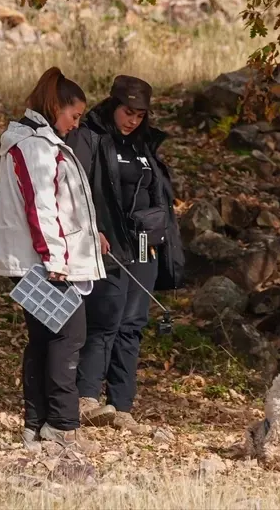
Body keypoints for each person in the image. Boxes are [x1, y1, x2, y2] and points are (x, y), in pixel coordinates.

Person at [0, 67, 107, 450]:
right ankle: (62, 426)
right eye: (74, 115)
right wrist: (55, 260)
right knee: (69, 336)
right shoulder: (36, 146)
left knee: (44, 339)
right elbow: (40, 207)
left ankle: (35, 426)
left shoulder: (36, 141)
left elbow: (60, 205)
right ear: (56, 107)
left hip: (36, 259)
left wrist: (90, 236)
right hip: (40, 263)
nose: (76, 125)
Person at [66, 75, 183, 433]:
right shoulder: (90, 136)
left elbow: (157, 191)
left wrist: (162, 232)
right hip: (108, 242)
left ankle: (121, 405)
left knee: (133, 324)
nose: (132, 120)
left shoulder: (145, 143)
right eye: (127, 112)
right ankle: (86, 398)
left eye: (140, 115)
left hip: (145, 244)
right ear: (113, 105)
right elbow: (75, 186)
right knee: (105, 319)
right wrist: (93, 228)